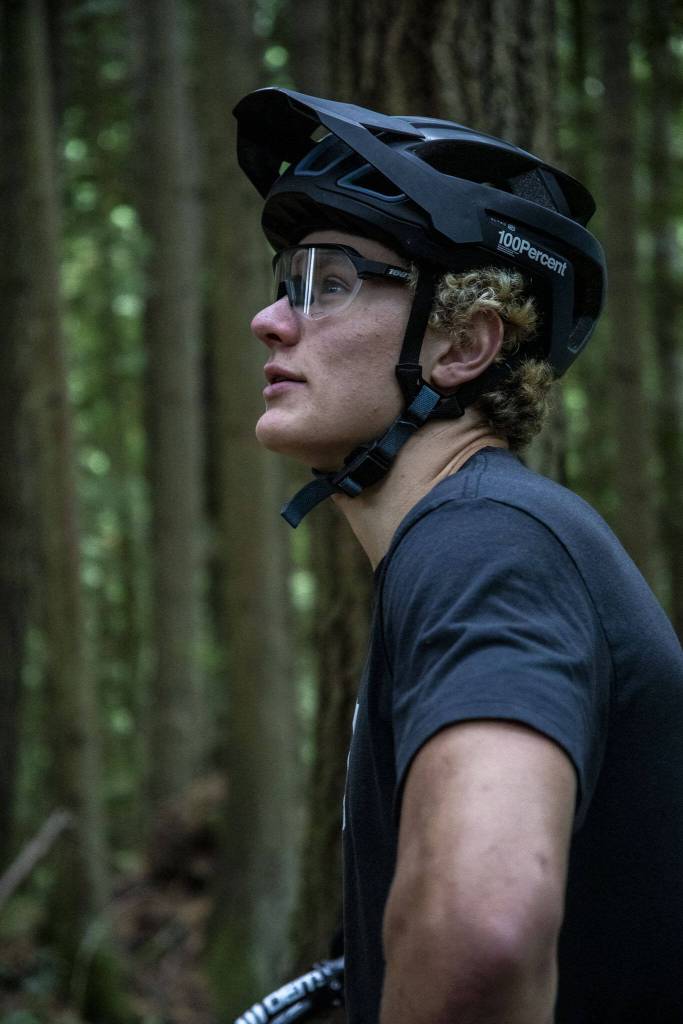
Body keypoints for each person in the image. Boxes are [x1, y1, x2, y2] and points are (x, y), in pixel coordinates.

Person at [233, 88, 683, 1024]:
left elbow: (484, 930)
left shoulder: (485, 546)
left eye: (328, 280)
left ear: (461, 347)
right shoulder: (478, 535)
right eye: (286, 281)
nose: (271, 320)